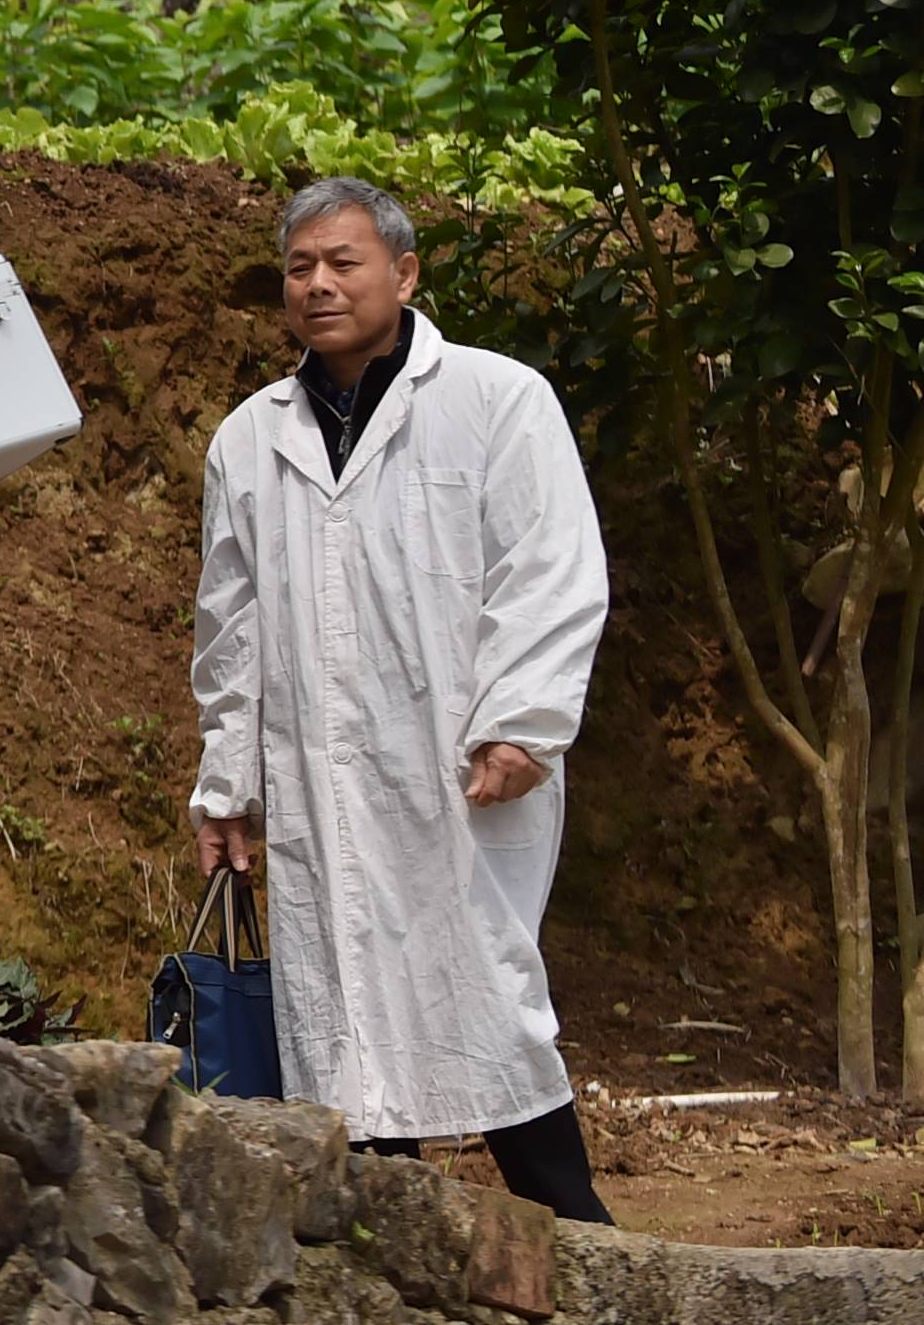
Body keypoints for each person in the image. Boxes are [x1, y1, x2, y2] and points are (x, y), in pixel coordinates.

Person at [190, 175, 616, 1224]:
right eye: (300, 267)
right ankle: (398, 1264)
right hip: (318, 780)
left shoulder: (494, 398)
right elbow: (229, 630)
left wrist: (523, 717)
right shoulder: (250, 437)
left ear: (406, 271)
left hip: (454, 767)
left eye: (344, 261)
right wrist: (227, 782)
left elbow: (550, 566)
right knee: (345, 1022)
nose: (320, 284)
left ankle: (587, 1250)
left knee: (486, 1001)